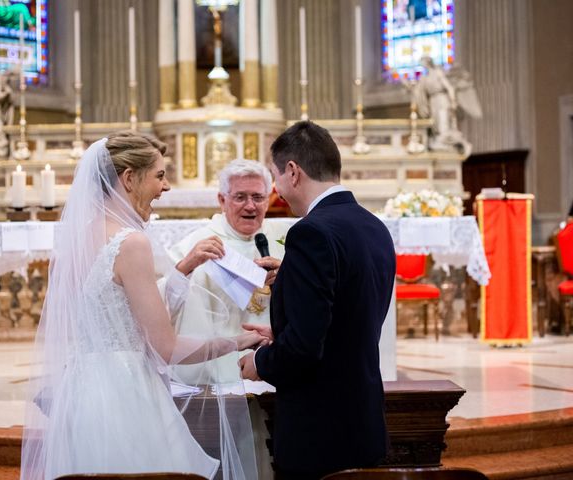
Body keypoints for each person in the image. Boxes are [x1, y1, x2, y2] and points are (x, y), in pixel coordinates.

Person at [20, 131, 264, 480]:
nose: (165, 187)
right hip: (128, 395)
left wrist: (183, 269)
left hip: (81, 391)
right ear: (130, 178)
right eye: (160, 175)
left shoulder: (70, 246)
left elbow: (119, 314)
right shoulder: (131, 244)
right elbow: (166, 348)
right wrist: (240, 341)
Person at [239, 121, 396, 479]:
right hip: (363, 418)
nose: (277, 190)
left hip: (320, 431)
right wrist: (287, 306)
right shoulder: (373, 225)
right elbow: (348, 317)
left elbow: (305, 350)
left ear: (293, 172)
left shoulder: (311, 232)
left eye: (275, 177)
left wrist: (259, 361)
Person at [168, 159, 290, 479]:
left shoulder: (281, 238)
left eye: (258, 197)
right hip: (216, 376)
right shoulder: (197, 243)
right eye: (240, 197)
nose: (250, 206)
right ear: (222, 200)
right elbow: (167, 301)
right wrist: (189, 266)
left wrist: (288, 278)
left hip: (273, 367)